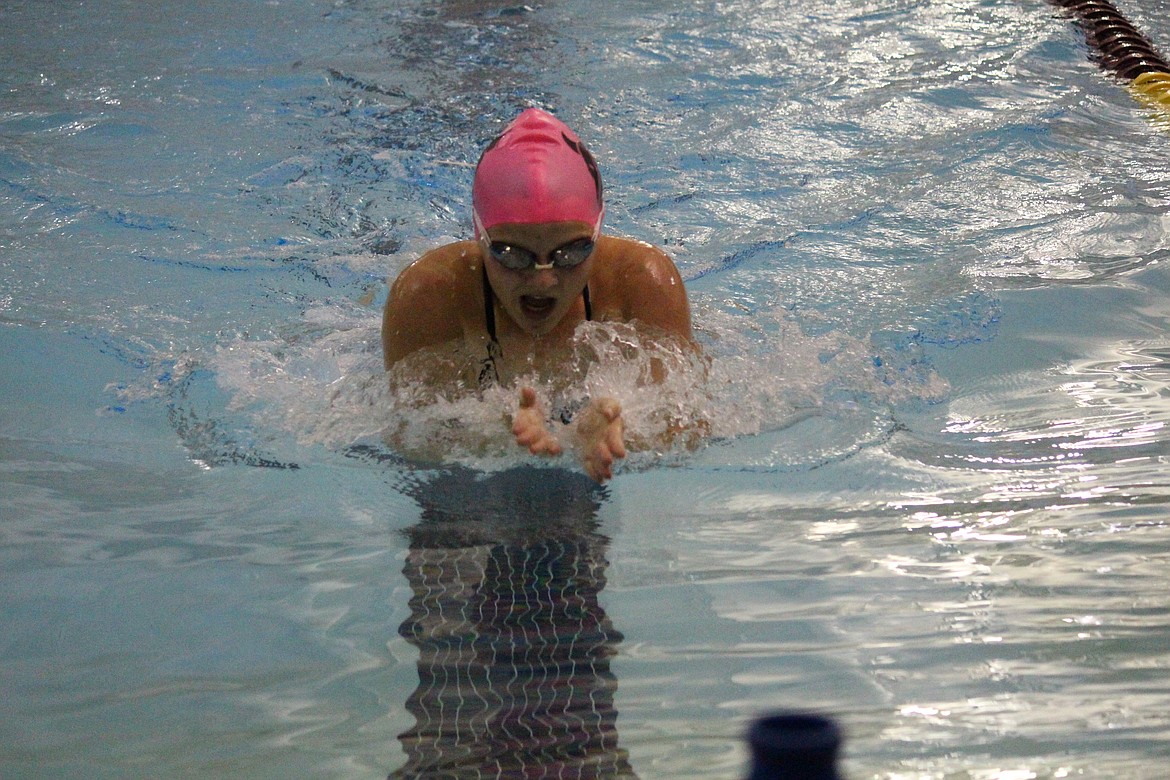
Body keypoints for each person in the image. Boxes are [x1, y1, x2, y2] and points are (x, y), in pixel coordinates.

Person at [382, 108, 694, 482]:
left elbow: (690, 427)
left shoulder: (642, 284)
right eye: (512, 255)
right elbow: (407, 440)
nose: (543, 282)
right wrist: (495, 433)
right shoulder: (428, 296)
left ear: (598, 232)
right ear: (479, 236)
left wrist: (617, 433)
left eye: (572, 252)